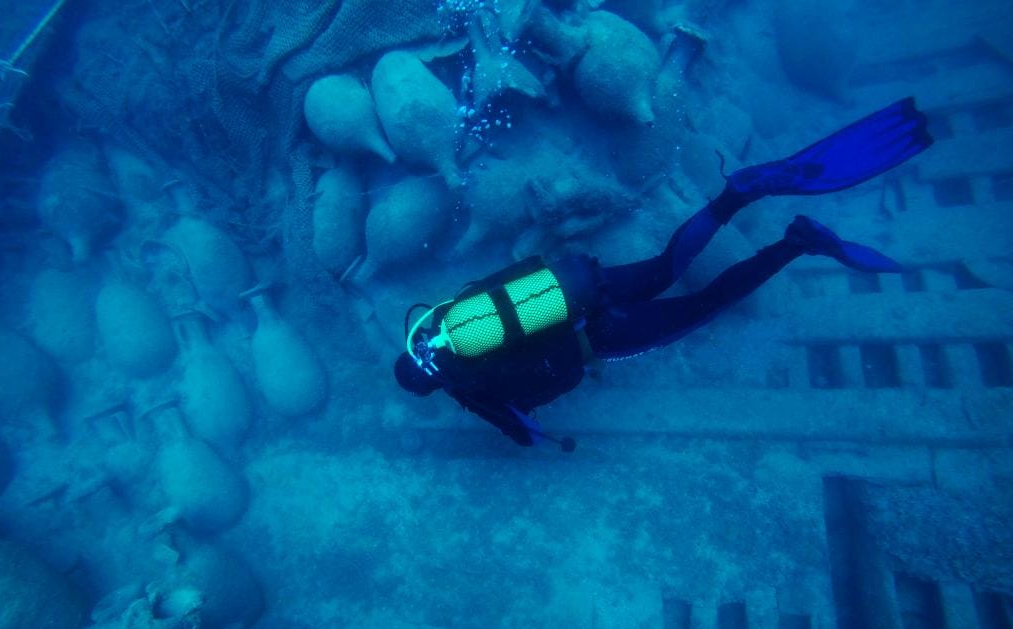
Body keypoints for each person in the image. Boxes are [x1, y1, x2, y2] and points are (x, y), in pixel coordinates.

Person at [394, 98, 933, 449]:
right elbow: (503, 282)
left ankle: (797, 242)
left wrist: (516, 423)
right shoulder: (446, 319)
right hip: (579, 286)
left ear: (430, 386)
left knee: (703, 306)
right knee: (666, 267)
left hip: (597, 336)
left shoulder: (466, 386)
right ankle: (734, 196)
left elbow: (527, 433)